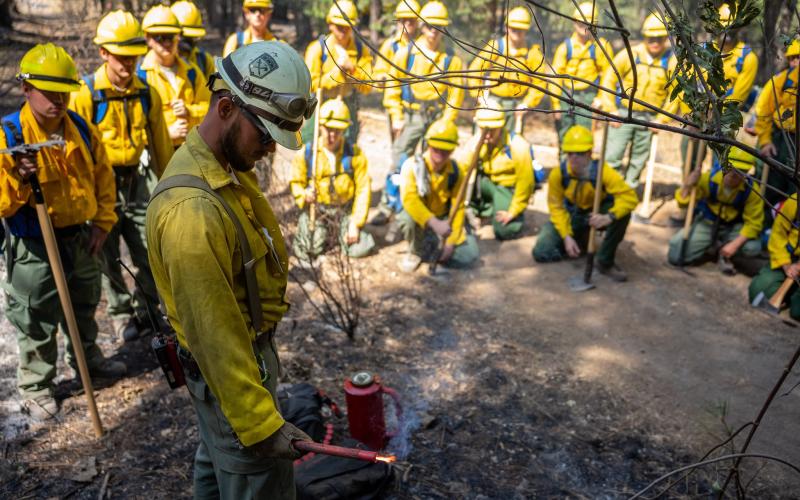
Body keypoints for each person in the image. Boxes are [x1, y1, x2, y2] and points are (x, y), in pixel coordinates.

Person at [146, 41, 314, 498]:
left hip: (235, 380)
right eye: (264, 137)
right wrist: (260, 425)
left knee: (218, 465)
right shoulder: (193, 212)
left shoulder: (224, 167)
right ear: (226, 107)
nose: (267, 151)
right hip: (233, 378)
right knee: (254, 478)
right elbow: (215, 335)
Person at [1, 44, 125, 421]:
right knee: (36, 313)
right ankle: (37, 385)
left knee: (85, 302)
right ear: (26, 89)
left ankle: (89, 362)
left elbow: (104, 180)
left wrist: (103, 223)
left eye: (63, 90)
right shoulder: (8, 135)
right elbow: (3, 204)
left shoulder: (83, 130)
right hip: (34, 242)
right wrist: (18, 176)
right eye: (47, 90)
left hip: (80, 236)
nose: (57, 98)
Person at [71, 10, 173, 341]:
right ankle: (120, 314)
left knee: (148, 247)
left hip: (139, 179)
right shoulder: (86, 94)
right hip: (102, 183)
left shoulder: (147, 93)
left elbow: (161, 149)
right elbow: (76, 153)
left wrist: (170, 189)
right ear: (103, 53)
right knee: (107, 252)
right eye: (120, 57)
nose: (127, 65)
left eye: (132, 57)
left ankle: (148, 309)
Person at [375, 1, 464, 227]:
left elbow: (456, 94)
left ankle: (423, 210)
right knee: (399, 160)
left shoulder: (451, 59)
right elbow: (393, 87)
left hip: (436, 118)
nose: (433, 32)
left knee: (430, 166)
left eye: (438, 27)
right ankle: (387, 206)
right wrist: (396, 115)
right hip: (410, 116)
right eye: (429, 26)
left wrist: (447, 122)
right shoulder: (407, 53)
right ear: (422, 26)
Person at [532, 125, 638, 281]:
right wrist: (566, 236)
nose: (574, 157)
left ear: (589, 153)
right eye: (570, 153)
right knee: (542, 252)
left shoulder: (603, 171)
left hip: (596, 214)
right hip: (572, 215)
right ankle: (579, 237)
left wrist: (609, 216)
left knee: (623, 214)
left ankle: (604, 261)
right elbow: (556, 207)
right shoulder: (558, 174)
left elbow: (630, 198)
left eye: (580, 153)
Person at [290, 98, 375, 263]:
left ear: (345, 130)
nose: (332, 135)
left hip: (343, 211)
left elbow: (363, 190)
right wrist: (304, 195)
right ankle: (325, 235)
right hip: (318, 211)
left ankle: (339, 233)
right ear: (320, 126)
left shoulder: (355, 154)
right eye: (328, 129)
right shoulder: (307, 154)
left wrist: (355, 224)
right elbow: (296, 182)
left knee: (360, 247)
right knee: (307, 248)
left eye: (338, 130)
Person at [600, 13, 679, 188]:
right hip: (621, 115)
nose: (655, 42)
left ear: (666, 38)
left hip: (650, 120)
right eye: (651, 37)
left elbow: (676, 93)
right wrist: (610, 108)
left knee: (638, 161)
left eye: (659, 37)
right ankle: (609, 192)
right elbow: (608, 78)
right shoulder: (630, 54)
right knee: (612, 157)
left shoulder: (672, 61)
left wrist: (662, 120)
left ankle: (627, 194)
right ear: (644, 36)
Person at [396, 119, 479, 272]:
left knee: (469, 255)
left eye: (446, 150)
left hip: (444, 218)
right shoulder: (411, 166)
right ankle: (416, 250)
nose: (440, 154)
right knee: (406, 218)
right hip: (422, 219)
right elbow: (410, 200)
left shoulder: (456, 171)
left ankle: (436, 251)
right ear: (428, 145)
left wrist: (451, 243)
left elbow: (458, 207)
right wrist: (434, 223)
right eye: (436, 149)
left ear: (453, 150)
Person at [667, 147, 763, 273]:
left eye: (739, 172)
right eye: (729, 170)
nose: (732, 176)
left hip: (732, 227)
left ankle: (727, 253)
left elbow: (754, 223)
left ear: (746, 173)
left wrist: (734, 245)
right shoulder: (708, 179)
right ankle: (710, 247)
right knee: (675, 254)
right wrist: (687, 185)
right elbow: (683, 204)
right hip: (708, 223)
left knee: (752, 247)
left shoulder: (752, 191)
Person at [467, 6, 547, 136]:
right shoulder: (496, 46)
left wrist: (527, 104)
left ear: (526, 30)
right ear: (506, 27)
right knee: (485, 138)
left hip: (517, 107)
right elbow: (474, 71)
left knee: (512, 144)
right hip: (493, 102)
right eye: (513, 28)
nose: (517, 32)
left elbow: (540, 83)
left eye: (521, 29)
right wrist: (481, 98)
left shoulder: (533, 52)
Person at [138, 5, 210, 147]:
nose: (166, 43)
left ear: (178, 37)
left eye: (171, 37)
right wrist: (166, 134)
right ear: (148, 39)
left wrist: (189, 111)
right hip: (160, 161)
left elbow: (210, 110)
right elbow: (134, 131)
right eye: (160, 37)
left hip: (193, 155)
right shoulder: (141, 76)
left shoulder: (192, 72)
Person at [304, 0, 373, 144]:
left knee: (348, 149)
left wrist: (352, 69)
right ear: (330, 24)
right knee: (310, 146)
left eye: (347, 27)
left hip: (348, 104)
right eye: (338, 26)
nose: (343, 30)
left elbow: (367, 87)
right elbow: (309, 85)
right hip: (320, 102)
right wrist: (337, 73)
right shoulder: (317, 49)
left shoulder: (361, 51)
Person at [463, 108, 534, 240]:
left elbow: (526, 183)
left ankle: (513, 214)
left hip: (506, 188)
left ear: (501, 127)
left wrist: (513, 211)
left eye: (491, 130)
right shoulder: (476, 142)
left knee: (505, 230)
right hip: (486, 184)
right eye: (483, 129)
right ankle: (483, 208)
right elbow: (462, 172)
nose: (487, 135)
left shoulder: (517, 146)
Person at [550, 2, 612, 141]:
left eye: (588, 23)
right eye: (580, 22)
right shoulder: (564, 48)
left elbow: (609, 75)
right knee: (564, 136)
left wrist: (601, 98)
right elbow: (556, 77)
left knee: (585, 137)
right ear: (574, 22)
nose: (584, 26)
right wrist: (556, 103)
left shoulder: (600, 47)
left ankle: (584, 162)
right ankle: (564, 163)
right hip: (566, 97)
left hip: (588, 98)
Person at [753, 39, 800, 207]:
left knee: (793, 190)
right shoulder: (780, 81)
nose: (795, 61)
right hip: (779, 139)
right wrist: (765, 141)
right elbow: (764, 112)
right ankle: (763, 224)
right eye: (792, 58)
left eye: (798, 57)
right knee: (770, 185)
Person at [749, 191, 800, 320]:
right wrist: (786, 265)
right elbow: (777, 235)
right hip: (789, 258)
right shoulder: (794, 201)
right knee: (757, 291)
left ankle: (792, 296)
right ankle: (789, 293)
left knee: (797, 312)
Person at [373, 0, 420, 84]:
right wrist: (382, 78)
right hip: (393, 91)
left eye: (411, 20)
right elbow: (379, 71)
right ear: (397, 21)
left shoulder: (423, 45)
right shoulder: (390, 45)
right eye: (403, 19)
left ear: (417, 22)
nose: (407, 23)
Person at [172, 1, 216, 80]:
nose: (189, 42)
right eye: (185, 37)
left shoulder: (204, 61)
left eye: (192, 37)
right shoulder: (159, 63)